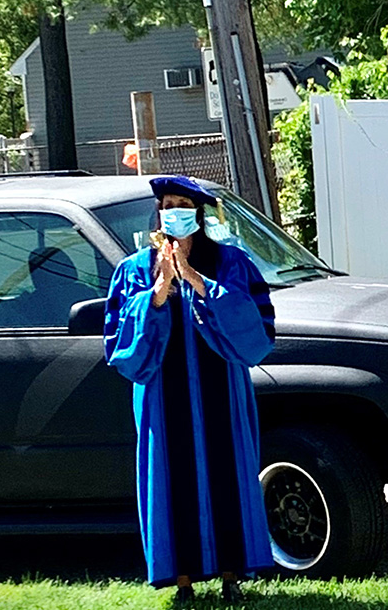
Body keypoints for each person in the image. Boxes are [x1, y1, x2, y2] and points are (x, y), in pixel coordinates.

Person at [104, 175, 275, 603]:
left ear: (198, 214)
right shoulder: (133, 271)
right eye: (165, 203)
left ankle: (231, 577)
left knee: (227, 476)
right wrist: (158, 292)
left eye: (181, 202)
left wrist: (194, 279)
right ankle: (182, 583)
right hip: (164, 400)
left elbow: (256, 334)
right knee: (171, 480)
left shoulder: (232, 264)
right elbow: (120, 347)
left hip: (223, 394)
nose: (172, 209)